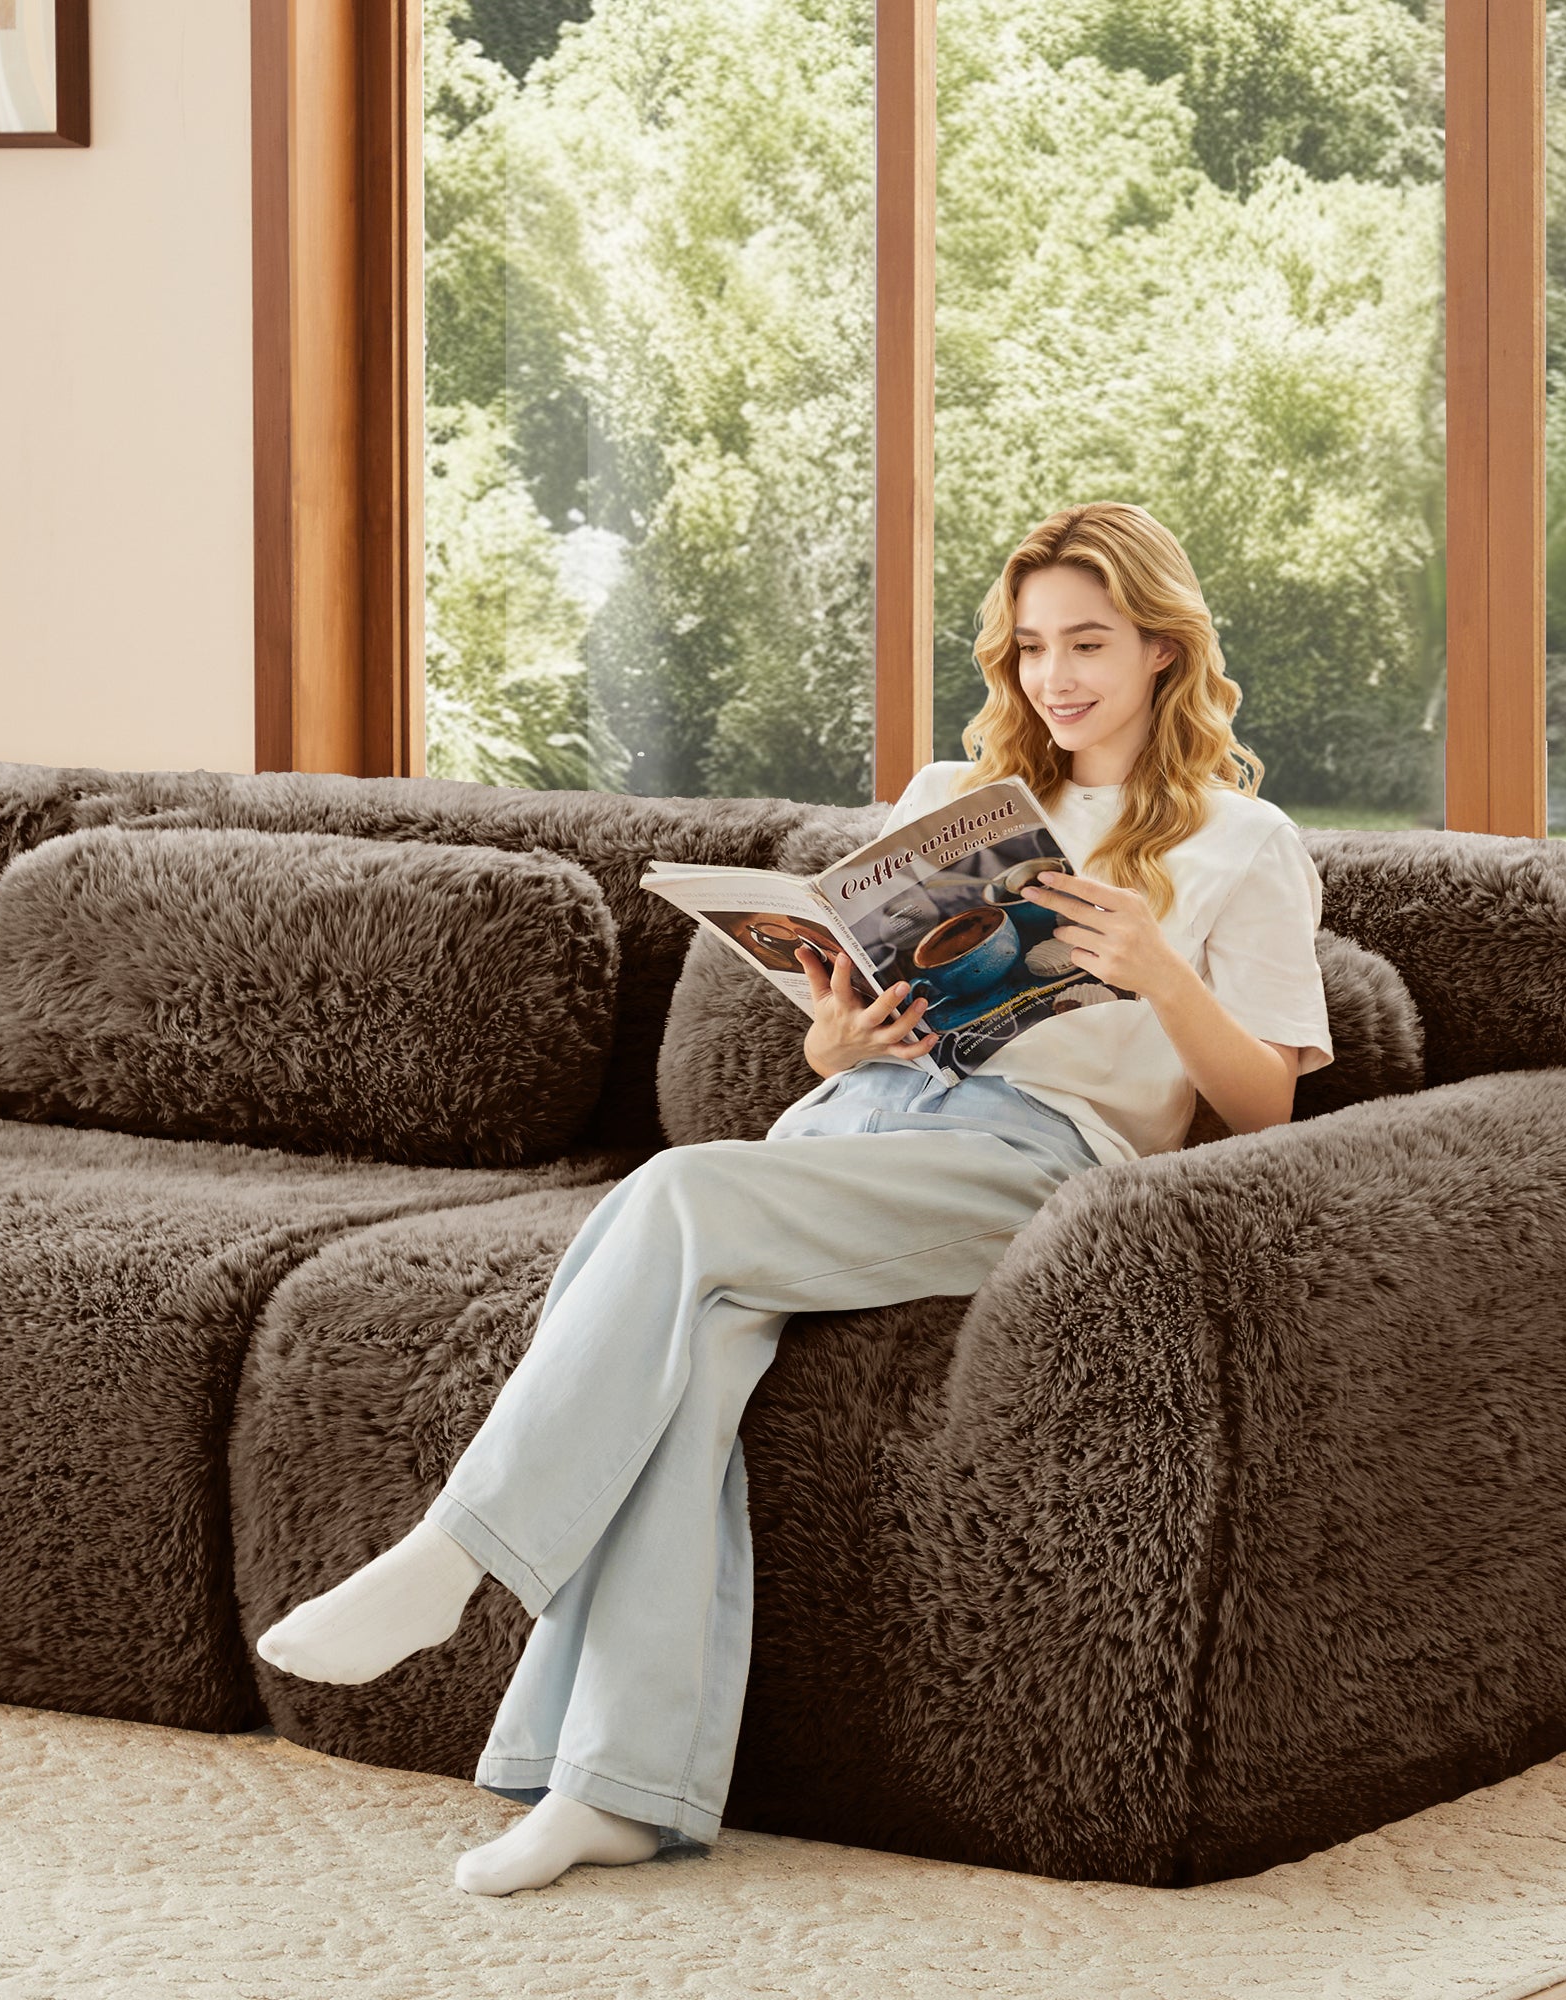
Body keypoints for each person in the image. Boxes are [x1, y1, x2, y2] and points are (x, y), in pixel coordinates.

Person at [253, 500, 1335, 1895]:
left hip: (1041, 1163)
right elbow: (854, 1022)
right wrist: (837, 1037)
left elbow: (1268, 1109)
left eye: (1092, 643)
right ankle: (614, 1789)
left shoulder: (1246, 842)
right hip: (861, 1116)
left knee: (674, 1194)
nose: (1059, 677)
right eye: (1032, 647)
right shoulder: (955, 796)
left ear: (1163, 649)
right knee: (690, 1354)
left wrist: (1162, 974)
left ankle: (459, 1552)